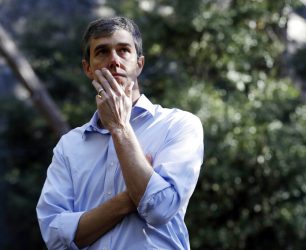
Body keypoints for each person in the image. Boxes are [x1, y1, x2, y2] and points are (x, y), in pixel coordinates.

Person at [36, 16, 204, 250]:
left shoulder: (179, 125)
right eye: (102, 52)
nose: (114, 60)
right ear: (88, 68)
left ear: (139, 64)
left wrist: (120, 127)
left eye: (124, 50)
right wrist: (130, 198)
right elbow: (54, 236)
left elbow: (160, 209)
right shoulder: (69, 146)